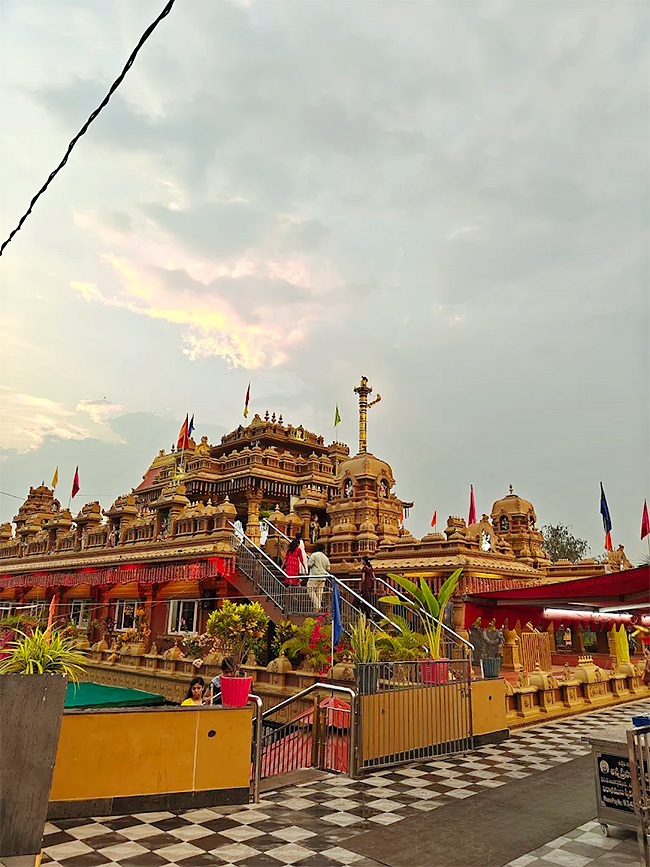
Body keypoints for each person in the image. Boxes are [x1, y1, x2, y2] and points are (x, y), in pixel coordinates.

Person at [307, 543, 330, 610]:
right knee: (319, 593)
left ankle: (317, 606)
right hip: (322, 577)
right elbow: (328, 569)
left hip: (314, 576)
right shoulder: (325, 557)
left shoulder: (314, 555)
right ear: (323, 550)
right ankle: (317, 607)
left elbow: (309, 564)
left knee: (310, 590)